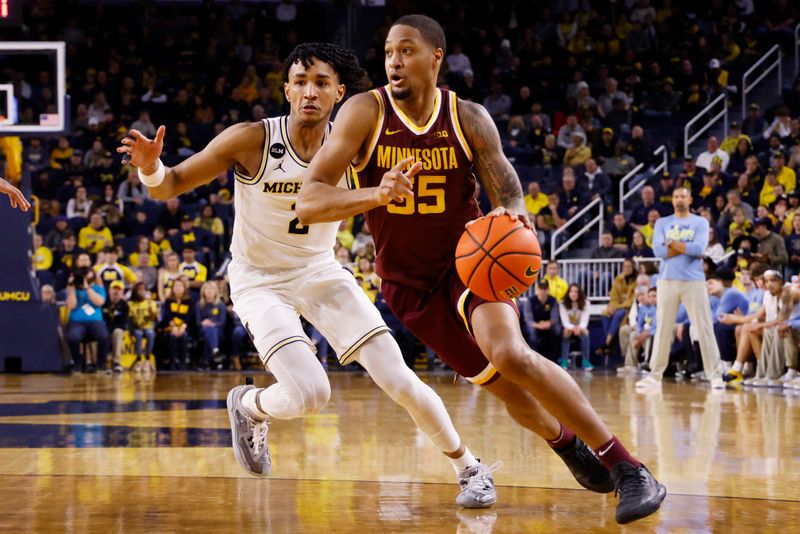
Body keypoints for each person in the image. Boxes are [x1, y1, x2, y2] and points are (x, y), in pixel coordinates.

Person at [297, 15, 665, 524]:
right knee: (503, 386)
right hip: (409, 287)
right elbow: (309, 201)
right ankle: (565, 443)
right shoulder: (364, 112)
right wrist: (376, 193)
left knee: (511, 353)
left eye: (406, 50)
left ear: (436, 57)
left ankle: (628, 467)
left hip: (469, 265)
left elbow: (506, 185)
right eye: (388, 53)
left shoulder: (467, 116)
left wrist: (513, 209)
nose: (394, 61)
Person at [118, 42, 497, 508]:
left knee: (399, 378)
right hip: (259, 279)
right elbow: (172, 185)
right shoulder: (252, 139)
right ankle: (250, 405)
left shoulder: (355, 146)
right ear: (286, 90)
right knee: (311, 394)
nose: (309, 92)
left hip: (320, 271)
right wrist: (152, 167)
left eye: (321, 83)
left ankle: (469, 468)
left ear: (340, 92)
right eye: (300, 82)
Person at [636, 188, 725, 390]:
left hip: (693, 280)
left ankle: (715, 375)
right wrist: (684, 246)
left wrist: (672, 243)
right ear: (672, 200)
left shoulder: (700, 222)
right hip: (667, 280)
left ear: (690, 199)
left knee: (703, 327)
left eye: (683, 196)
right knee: (662, 329)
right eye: (676, 196)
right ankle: (655, 375)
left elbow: (699, 249)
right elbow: (659, 251)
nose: (679, 199)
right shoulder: (662, 222)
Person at [65, 256, 109, 373]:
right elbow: (71, 305)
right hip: (77, 322)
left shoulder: (97, 288)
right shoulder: (71, 289)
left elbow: (99, 302)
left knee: (103, 336)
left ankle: (100, 364)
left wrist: (88, 288)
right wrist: (72, 287)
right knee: (72, 338)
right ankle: (78, 362)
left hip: (95, 321)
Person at [559, 284, 592, 371]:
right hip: (569, 328)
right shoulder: (563, 303)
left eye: (576, 291)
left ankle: (585, 361)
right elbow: (565, 322)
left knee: (585, 332)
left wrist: (579, 328)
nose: (573, 294)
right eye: (571, 291)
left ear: (580, 293)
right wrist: (573, 328)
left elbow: (585, 321)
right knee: (566, 332)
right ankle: (564, 360)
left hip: (580, 328)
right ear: (568, 293)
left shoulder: (586, 303)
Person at [196, 281, 227, 369]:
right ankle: (215, 352)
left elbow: (222, 322)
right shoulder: (199, 305)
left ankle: (206, 361)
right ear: (203, 291)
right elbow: (198, 322)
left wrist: (213, 324)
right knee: (208, 331)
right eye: (207, 289)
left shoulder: (220, 304)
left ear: (216, 291)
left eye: (211, 289)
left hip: (218, 330)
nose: (209, 291)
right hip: (203, 329)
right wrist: (203, 323)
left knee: (211, 332)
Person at [128, 282, 158, 373]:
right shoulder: (131, 304)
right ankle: (139, 359)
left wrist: (150, 310)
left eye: (143, 289)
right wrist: (137, 326)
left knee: (150, 333)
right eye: (139, 289)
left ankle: (148, 359)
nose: (141, 291)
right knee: (138, 334)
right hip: (136, 327)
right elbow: (130, 319)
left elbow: (154, 319)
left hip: (148, 326)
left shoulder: (151, 303)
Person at [102, 280, 129, 373]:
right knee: (100, 333)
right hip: (104, 327)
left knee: (117, 332)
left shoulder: (124, 305)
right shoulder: (103, 302)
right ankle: (101, 362)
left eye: (119, 290)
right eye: (114, 289)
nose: (116, 292)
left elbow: (123, 322)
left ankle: (116, 363)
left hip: (117, 328)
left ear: (122, 292)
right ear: (109, 290)